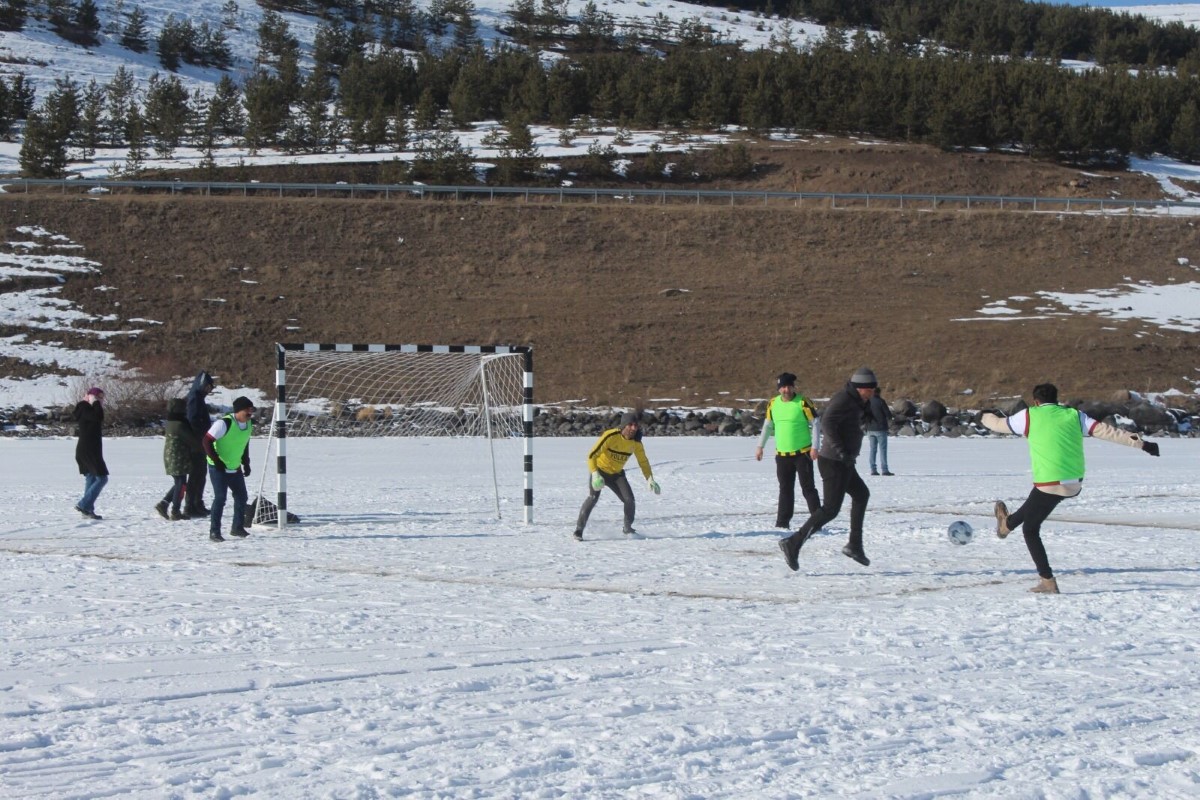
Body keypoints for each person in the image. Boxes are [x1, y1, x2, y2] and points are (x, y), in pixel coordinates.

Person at [981, 383, 1161, 594]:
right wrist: (1143, 444)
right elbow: (1109, 432)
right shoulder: (1074, 415)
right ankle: (1007, 525)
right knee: (1035, 506)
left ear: (1036, 401)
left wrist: (984, 415)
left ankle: (1047, 581)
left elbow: (998, 424)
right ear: (1056, 399)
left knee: (1030, 529)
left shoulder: (1029, 415)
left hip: (1049, 484)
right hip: (1073, 483)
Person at [779, 366, 878, 571]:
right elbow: (828, 423)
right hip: (834, 461)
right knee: (830, 509)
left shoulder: (858, 401)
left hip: (845, 461)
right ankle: (793, 542)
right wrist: (841, 451)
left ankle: (855, 545)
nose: (873, 392)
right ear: (861, 388)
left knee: (861, 494)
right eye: (871, 389)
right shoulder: (844, 399)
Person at [574, 411, 660, 541]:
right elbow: (592, 455)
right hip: (600, 472)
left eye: (636, 425)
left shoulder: (636, 442)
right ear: (624, 425)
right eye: (630, 425)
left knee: (629, 499)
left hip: (617, 475)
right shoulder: (611, 436)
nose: (633, 428)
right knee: (592, 498)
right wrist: (595, 474)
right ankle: (578, 530)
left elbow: (643, 462)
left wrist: (650, 479)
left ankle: (627, 528)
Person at [756, 372, 821, 528]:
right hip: (782, 455)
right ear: (779, 389)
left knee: (808, 488)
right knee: (785, 489)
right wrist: (760, 446)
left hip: (803, 453)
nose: (785, 390)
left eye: (788, 386)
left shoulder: (803, 402)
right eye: (782, 387)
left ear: (793, 387)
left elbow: (816, 423)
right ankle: (782, 522)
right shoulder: (773, 404)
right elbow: (768, 426)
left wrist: (815, 447)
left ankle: (818, 520)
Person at [202, 396, 256, 543]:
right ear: (239, 411)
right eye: (248, 411)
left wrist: (246, 462)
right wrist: (216, 461)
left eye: (252, 410)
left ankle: (237, 528)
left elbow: (244, 443)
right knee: (220, 499)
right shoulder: (224, 423)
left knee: (241, 497)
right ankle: (214, 532)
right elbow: (206, 441)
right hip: (218, 467)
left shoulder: (248, 423)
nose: (250, 414)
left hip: (235, 467)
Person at [73, 387, 109, 520]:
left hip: (90, 448)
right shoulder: (84, 407)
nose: (101, 400)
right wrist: (95, 403)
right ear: (91, 397)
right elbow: (98, 417)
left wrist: (95, 403)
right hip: (88, 450)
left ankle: (87, 510)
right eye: (98, 397)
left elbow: (98, 417)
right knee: (102, 478)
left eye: (102, 397)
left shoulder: (88, 408)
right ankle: (84, 504)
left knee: (91, 478)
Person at [184, 370, 215, 517]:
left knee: (200, 474)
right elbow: (193, 420)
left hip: (200, 441)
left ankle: (197, 503)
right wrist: (203, 435)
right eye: (208, 387)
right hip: (196, 442)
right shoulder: (195, 398)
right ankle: (190, 505)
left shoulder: (198, 398)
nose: (209, 390)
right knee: (196, 474)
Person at [155, 398, 192, 521]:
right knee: (181, 484)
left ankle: (164, 503)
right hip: (177, 457)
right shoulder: (179, 424)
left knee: (179, 483)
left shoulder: (171, 422)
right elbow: (191, 439)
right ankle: (175, 511)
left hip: (172, 457)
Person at [865, 386, 894, 476]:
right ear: (878, 392)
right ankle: (884, 470)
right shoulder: (881, 401)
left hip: (870, 429)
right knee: (883, 450)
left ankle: (873, 469)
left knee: (872, 450)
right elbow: (888, 415)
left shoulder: (867, 402)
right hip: (881, 429)